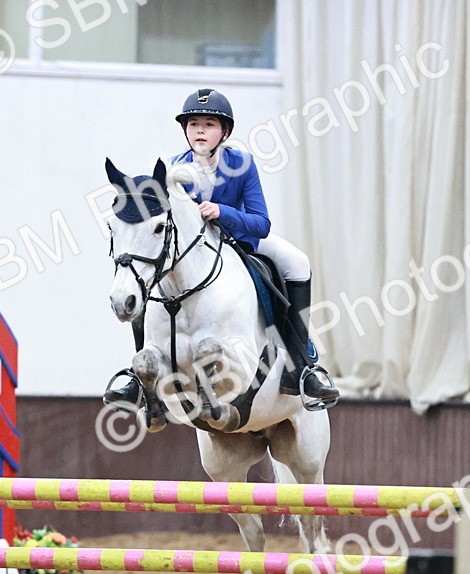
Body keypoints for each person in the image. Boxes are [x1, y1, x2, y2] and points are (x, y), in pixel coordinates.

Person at [103, 87, 339, 411]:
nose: (200, 130)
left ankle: (301, 366)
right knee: (142, 277)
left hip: (238, 238)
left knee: (298, 262)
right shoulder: (169, 170)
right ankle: (138, 378)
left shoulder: (242, 164)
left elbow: (261, 223)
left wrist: (221, 212)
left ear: (224, 132)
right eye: (194, 124)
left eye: (209, 124)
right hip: (191, 251)